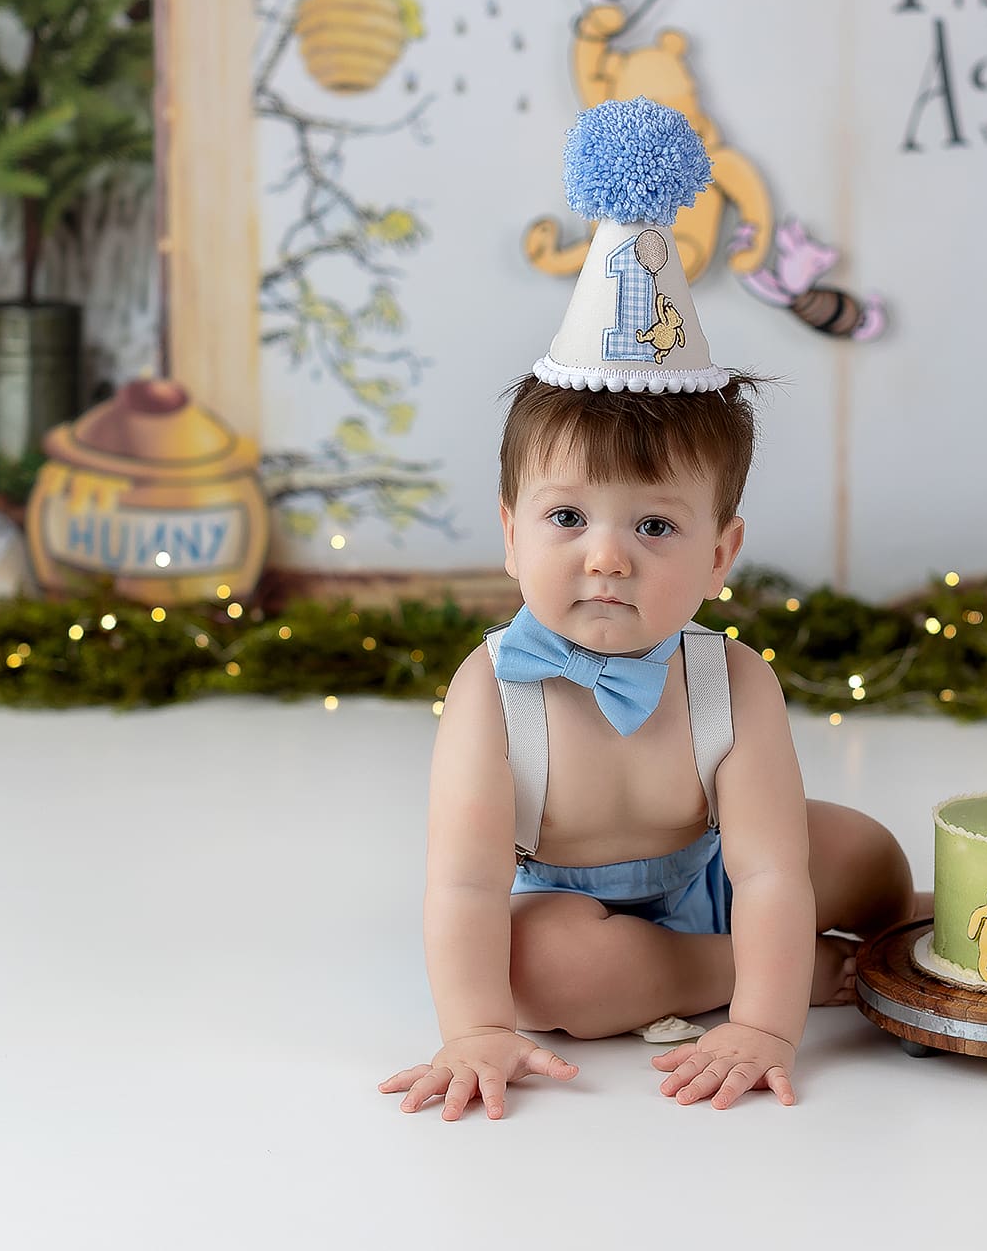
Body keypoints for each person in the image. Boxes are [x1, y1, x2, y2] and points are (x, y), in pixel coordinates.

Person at [378, 99, 922, 1121]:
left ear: (721, 553)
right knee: (550, 975)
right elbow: (462, 888)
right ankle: (732, 973)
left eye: (655, 529)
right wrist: (475, 1029)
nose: (606, 559)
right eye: (567, 517)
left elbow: (762, 866)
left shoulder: (732, 681)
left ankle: (879, 932)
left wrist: (761, 1033)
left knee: (859, 852)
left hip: (709, 875)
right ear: (508, 533)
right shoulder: (495, 693)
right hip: (569, 908)